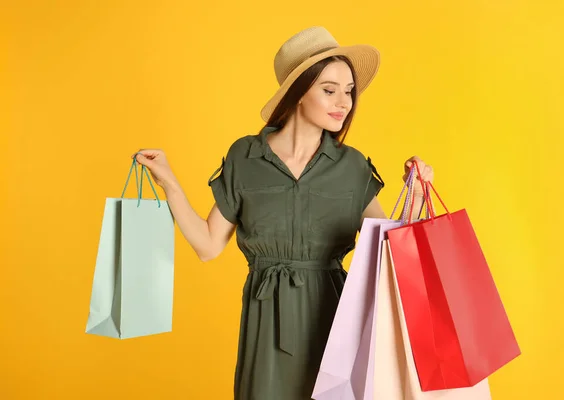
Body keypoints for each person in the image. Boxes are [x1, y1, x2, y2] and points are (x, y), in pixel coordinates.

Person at [133, 26, 434, 400]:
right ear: (297, 94)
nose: (344, 102)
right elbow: (208, 246)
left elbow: (390, 254)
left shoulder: (352, 167)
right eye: (329, 90)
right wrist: (169, 183)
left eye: (349, 91)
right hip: (266, 323)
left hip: (337, 323)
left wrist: (417, 196)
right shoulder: (245, 157)